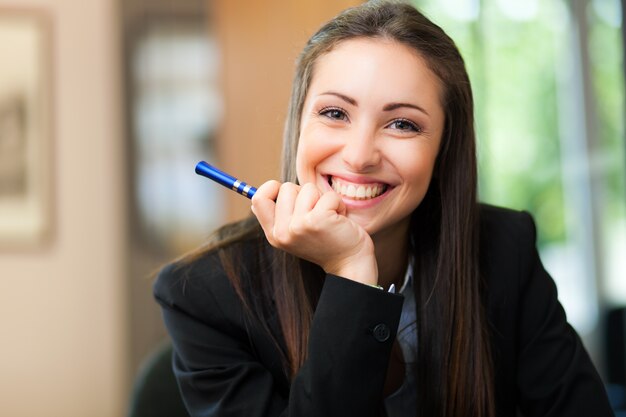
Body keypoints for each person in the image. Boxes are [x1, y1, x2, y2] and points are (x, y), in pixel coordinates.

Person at [153, 1, 615, 416]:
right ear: (299, 123)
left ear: (444, 147)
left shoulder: (503, 248)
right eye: (335, 113)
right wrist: (352, 273)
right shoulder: (203, 293)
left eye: (402, 123)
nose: (358, 155)